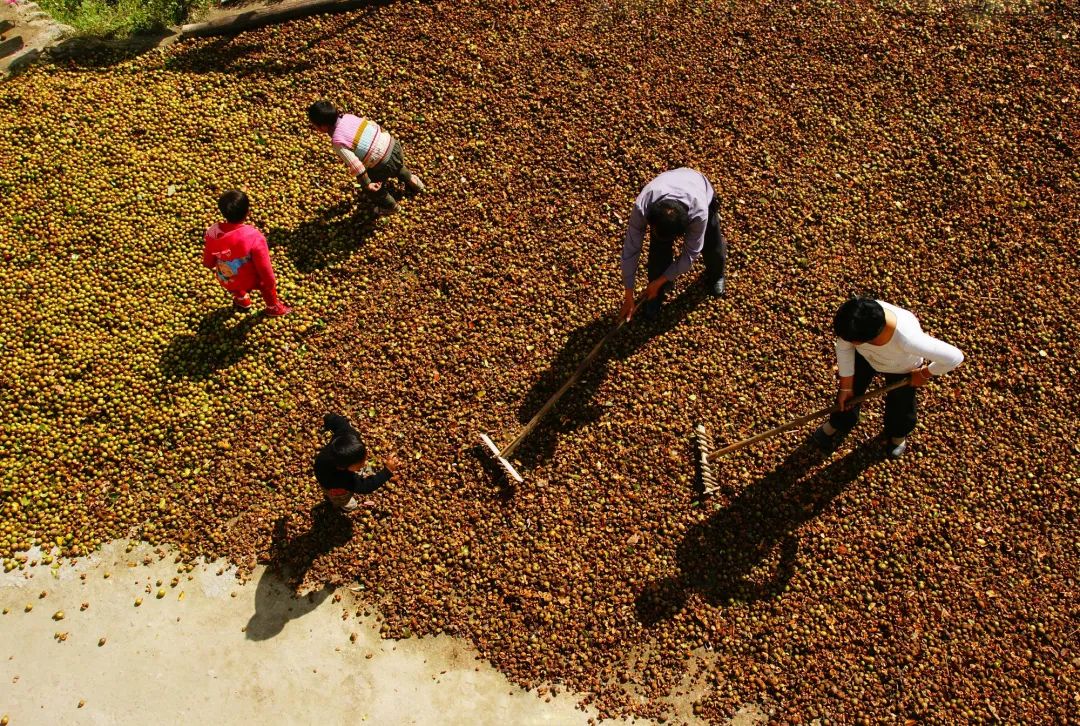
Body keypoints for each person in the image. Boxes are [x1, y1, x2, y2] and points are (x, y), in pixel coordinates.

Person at [812, 297, 964, 458]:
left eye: (853, 341)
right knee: (848, 397)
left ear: (872, 338)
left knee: (901, 404)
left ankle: (898, 433)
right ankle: (839, 422)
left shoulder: (908, 340)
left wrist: (924, 373)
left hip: (901, 367)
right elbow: (843, 348)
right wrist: (846, 386)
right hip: (865, 358)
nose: (847, 342)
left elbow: (954, 357)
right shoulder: (856, 319)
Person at [619, 167, 729, 320]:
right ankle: (655, 295)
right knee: (658, 254)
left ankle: (716, 275)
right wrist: (628, 294)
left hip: (700, 189)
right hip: (668, 186)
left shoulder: (699, 213)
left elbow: (690, 255)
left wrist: (660, 280)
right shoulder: (643, 206)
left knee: (712, 245)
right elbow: (631, 249)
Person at [307, 100, 426, 216]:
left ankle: (390, 206)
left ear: (322, 127)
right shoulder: (348, 117)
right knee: (397, 166)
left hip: (382, 164)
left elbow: (355, 165)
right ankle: (414, 182)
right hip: (394, 147)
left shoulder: (337, 141)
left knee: (370, 186)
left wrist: (367, 183)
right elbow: (372, 124)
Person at [203, 190, 291, 316]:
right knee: (265, 287)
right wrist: (270, 281)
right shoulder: (253, 236)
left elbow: (209, 255)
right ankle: (273, 307)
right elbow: (263, 265)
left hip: (227, 276)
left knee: (235, 287)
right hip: (251, 277)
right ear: (247, 212)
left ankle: (242, 300)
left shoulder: (212, 231)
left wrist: (208, 264)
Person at [314, 414, 401, 511]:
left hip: (324, 470)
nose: (364, 462)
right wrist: (387, 471)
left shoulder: (348, 434)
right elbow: (366, 486)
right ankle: (340, 503)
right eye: (360, 465)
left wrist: (327, 421)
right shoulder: (342, 479)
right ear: (343, 468)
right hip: (331, 486)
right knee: (338, 496)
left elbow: (334, 419)